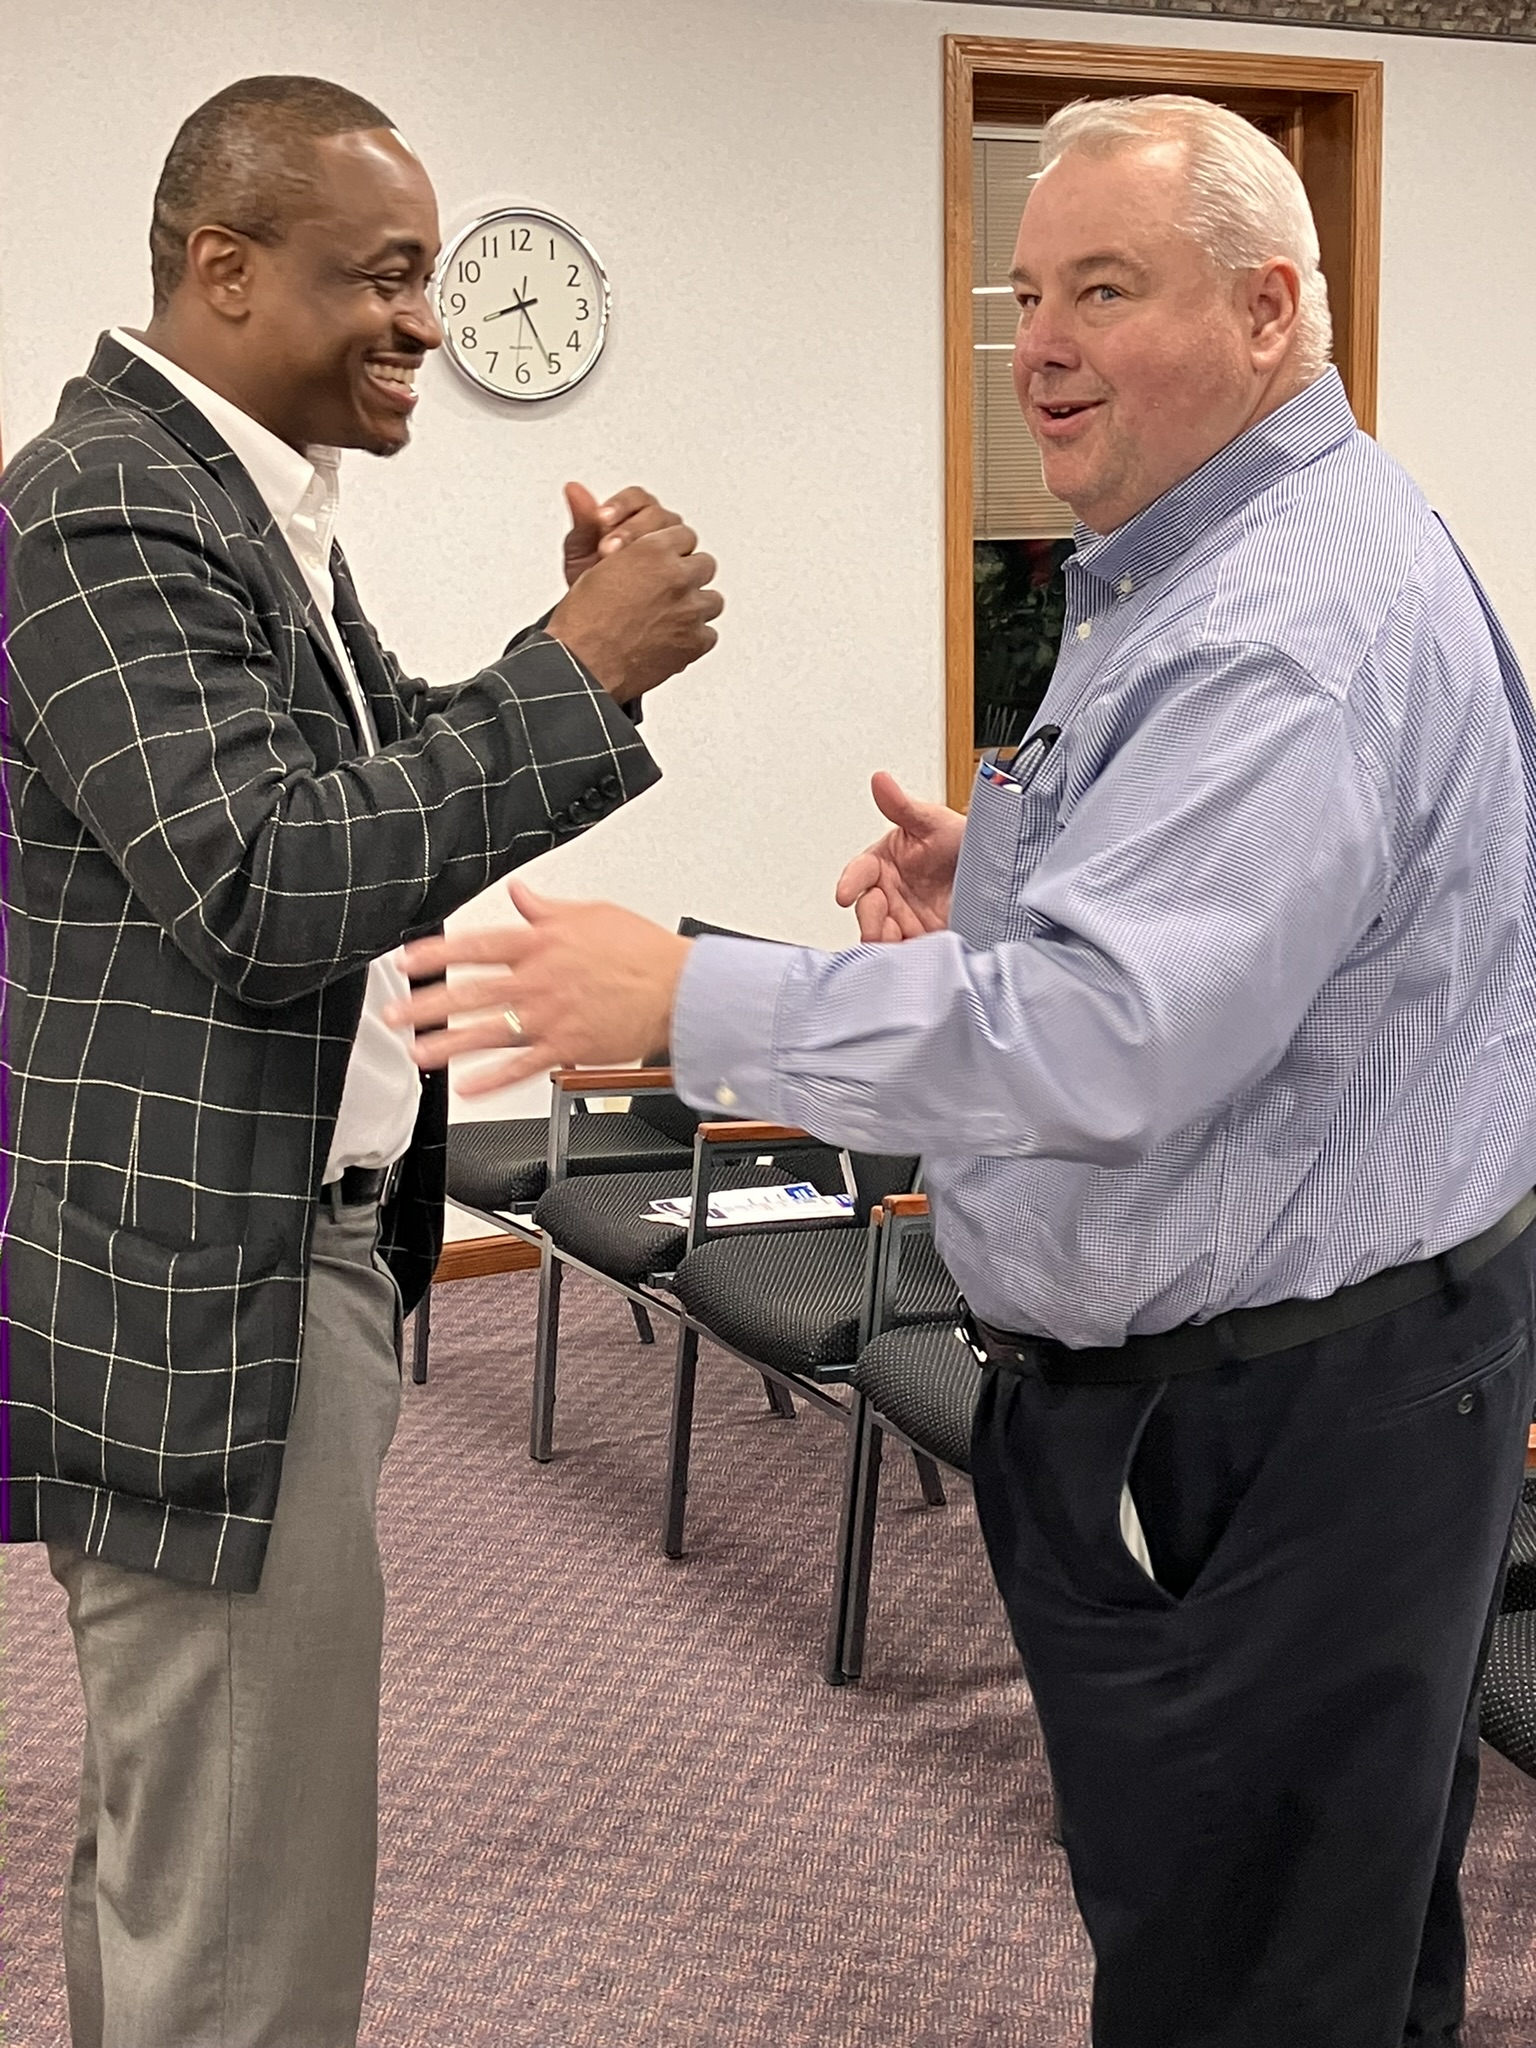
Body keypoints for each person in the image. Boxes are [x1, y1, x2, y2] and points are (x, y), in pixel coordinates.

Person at [392, 95, 1536, 2048]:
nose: (1046, 347)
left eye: (1106, 287)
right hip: (1278, 1381)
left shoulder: (1286, 631)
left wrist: (694, 999)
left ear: (1269, 311)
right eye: (1027, 295)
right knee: (1310, 1933)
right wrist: (1006, 872)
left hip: (1271, 1420)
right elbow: (1196, 932)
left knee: (1249, 1973)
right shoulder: (1201, 549)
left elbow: (1106, 1039)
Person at [0, 74, 721, 2048]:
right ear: (225, 270)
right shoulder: (112, 504)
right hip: (204, 1286)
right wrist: (584, 666)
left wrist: (569, 648)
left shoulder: (246, 509)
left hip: (277, 1252)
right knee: (239, 1896)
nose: (424, 322)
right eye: (385, 278)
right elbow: (263, 880)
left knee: (203, 1838)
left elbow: (386, 772)